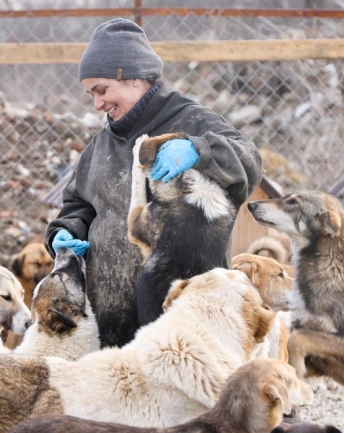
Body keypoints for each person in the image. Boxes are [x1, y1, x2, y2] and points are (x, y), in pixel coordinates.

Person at [44, 18, 263, 348]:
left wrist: (199, 149)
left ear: (132, 77)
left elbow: (249, 160)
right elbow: (78, 205)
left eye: (102, 90)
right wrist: (65, 233)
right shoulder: (100, 146)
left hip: (186, 319)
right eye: (91, 94)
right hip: (113, 328)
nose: (97, 104)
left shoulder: (191, 119)